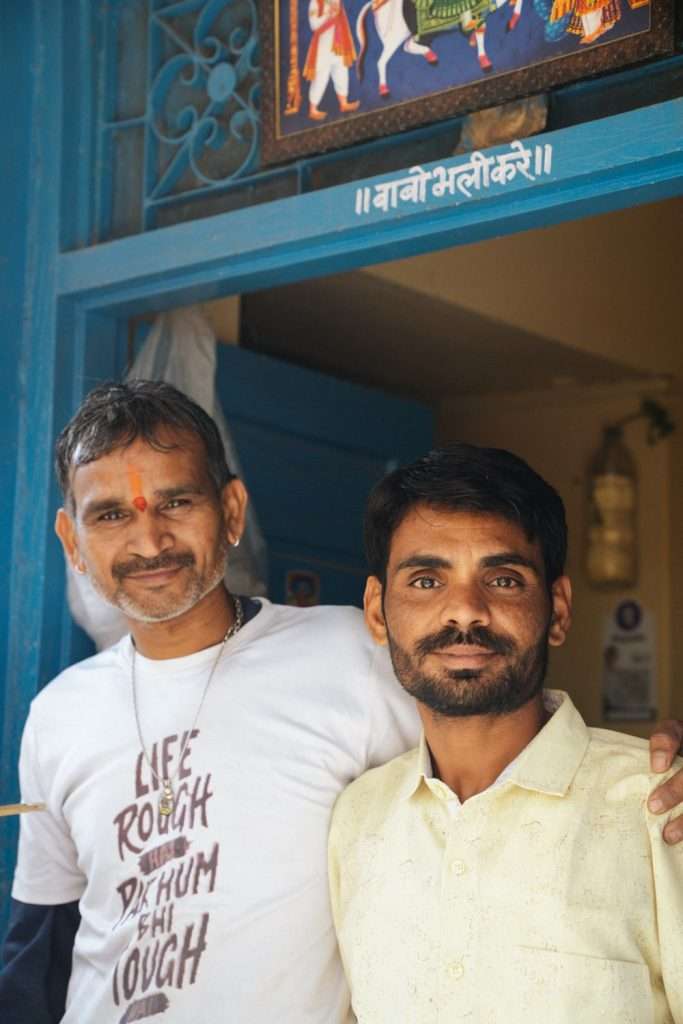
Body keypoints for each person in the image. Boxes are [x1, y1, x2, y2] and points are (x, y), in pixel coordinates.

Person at [1, 385, 682, 1024]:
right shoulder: (60, 714)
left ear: (232, 511)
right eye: (111, 514)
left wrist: (649, 769)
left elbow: (492, 719)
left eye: (176, 502)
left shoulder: (350, 655)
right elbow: (45, 943)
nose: (149, 541)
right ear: (72, 542)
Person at [329, 444, 683, 1023]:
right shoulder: (357, 819)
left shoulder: (657, 804)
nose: (464, 612)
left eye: (503, 579)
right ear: (376, 611)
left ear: (559, 610)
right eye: (425, 580)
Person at [303, 0, 360, 120]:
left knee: (341, 73)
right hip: (323, 45)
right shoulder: (315, 2)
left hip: (338, 44)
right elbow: (314, 25)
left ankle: (343, 104)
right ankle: (312, 109)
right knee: (321, 77)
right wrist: (328, 15)